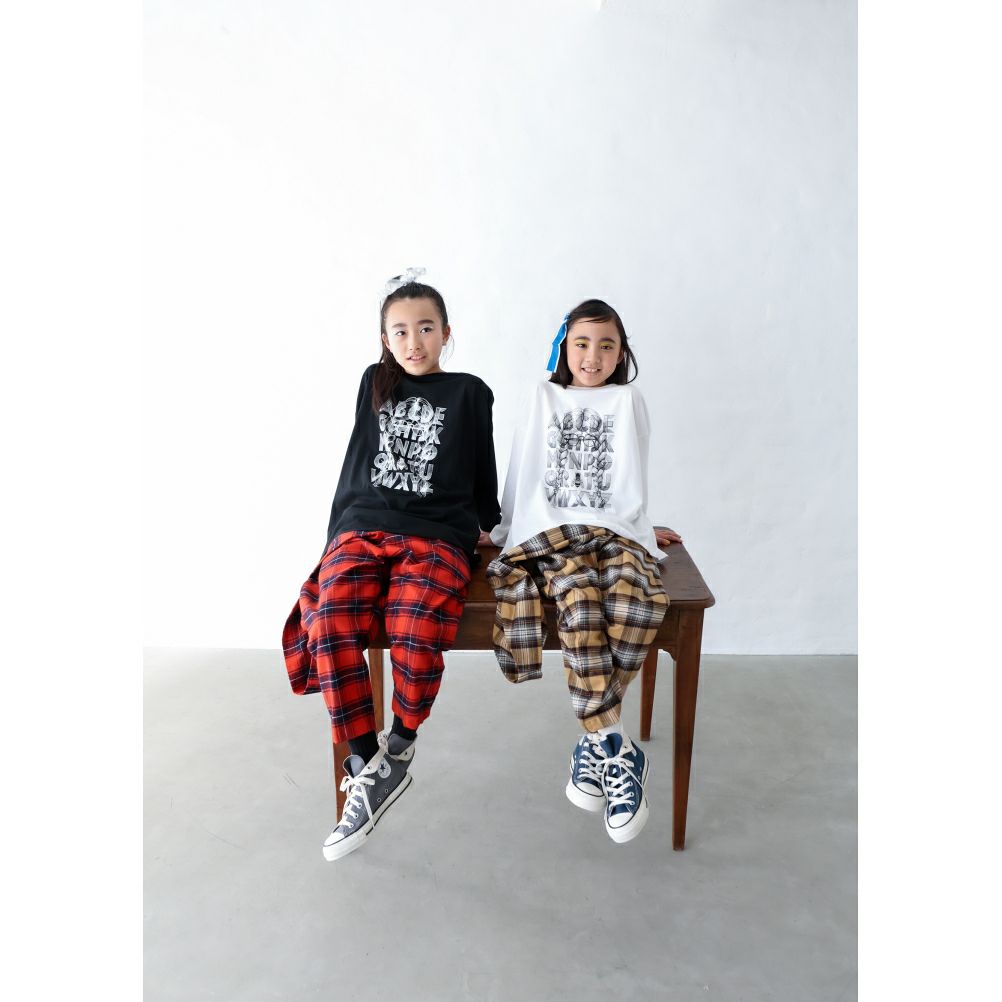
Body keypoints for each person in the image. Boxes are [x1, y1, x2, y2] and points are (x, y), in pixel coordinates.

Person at [283, 268, 500, 861]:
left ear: (446, 333)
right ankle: (364, 763)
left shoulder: (470, 391)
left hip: (437, 533)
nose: (413, 341)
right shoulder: (373, 382)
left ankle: (398, 748)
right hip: (364, 526)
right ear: (385, 338)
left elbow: (481, 468)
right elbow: (356, 460)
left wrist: (489, 523)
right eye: (399, 331)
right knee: (329, 619)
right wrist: (335, 540)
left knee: (417, 623)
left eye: (425, 328)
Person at [487, 298, 682, 844]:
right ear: (563, 349)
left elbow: (632, 474)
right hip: (552, 530)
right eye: (581, 344)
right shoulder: (542, 396)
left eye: (606, 346)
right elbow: (523, 465)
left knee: (635, 601)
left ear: (621, 355)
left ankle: (595, 743)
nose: (592, 356)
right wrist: (505, 528)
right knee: (577, 600)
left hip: (614, 528)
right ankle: (617, 748)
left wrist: (642, 528)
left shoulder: (629, 399)